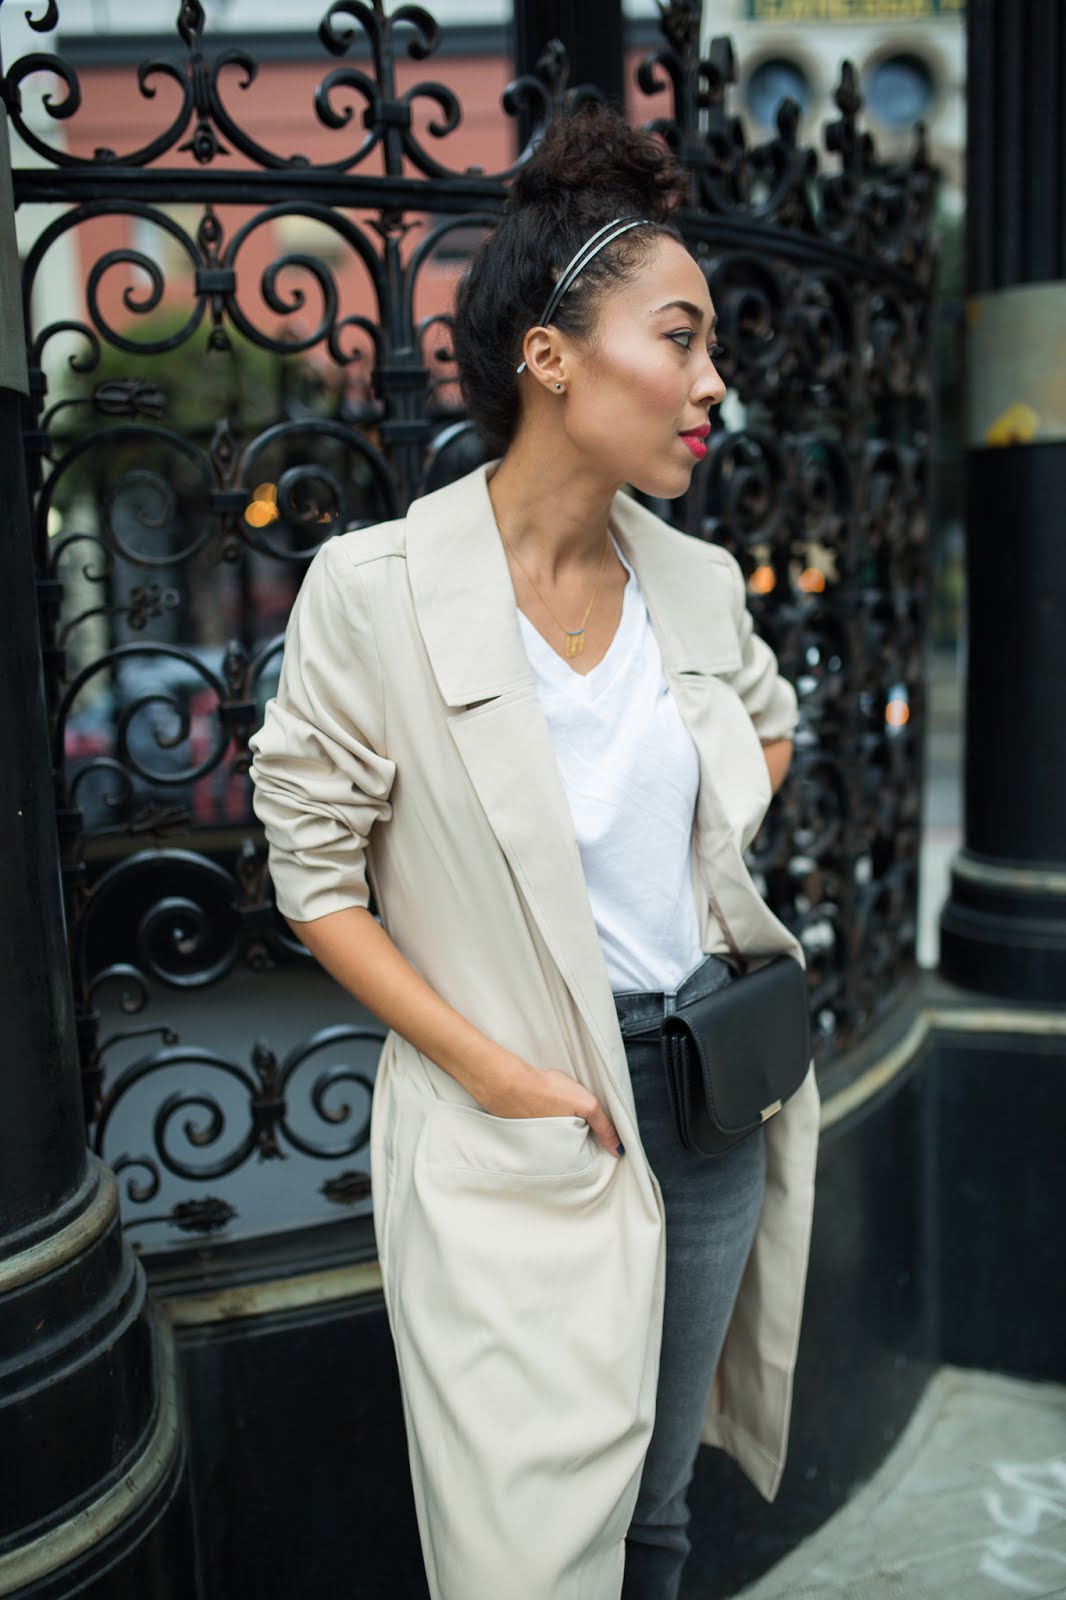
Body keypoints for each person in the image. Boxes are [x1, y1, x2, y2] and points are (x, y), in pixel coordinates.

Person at [248, 104, 819, 1600]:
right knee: (523, 1549)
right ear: (550, 358)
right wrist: (497, 1071)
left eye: (710, 351)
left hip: (704, 1107)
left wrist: (708, 858)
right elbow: (314, 876)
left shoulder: (690, 578)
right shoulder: (375, 589)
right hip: (517, 1124)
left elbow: (764, 726)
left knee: (655, 1504)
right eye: (682, 340)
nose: (713, 385)